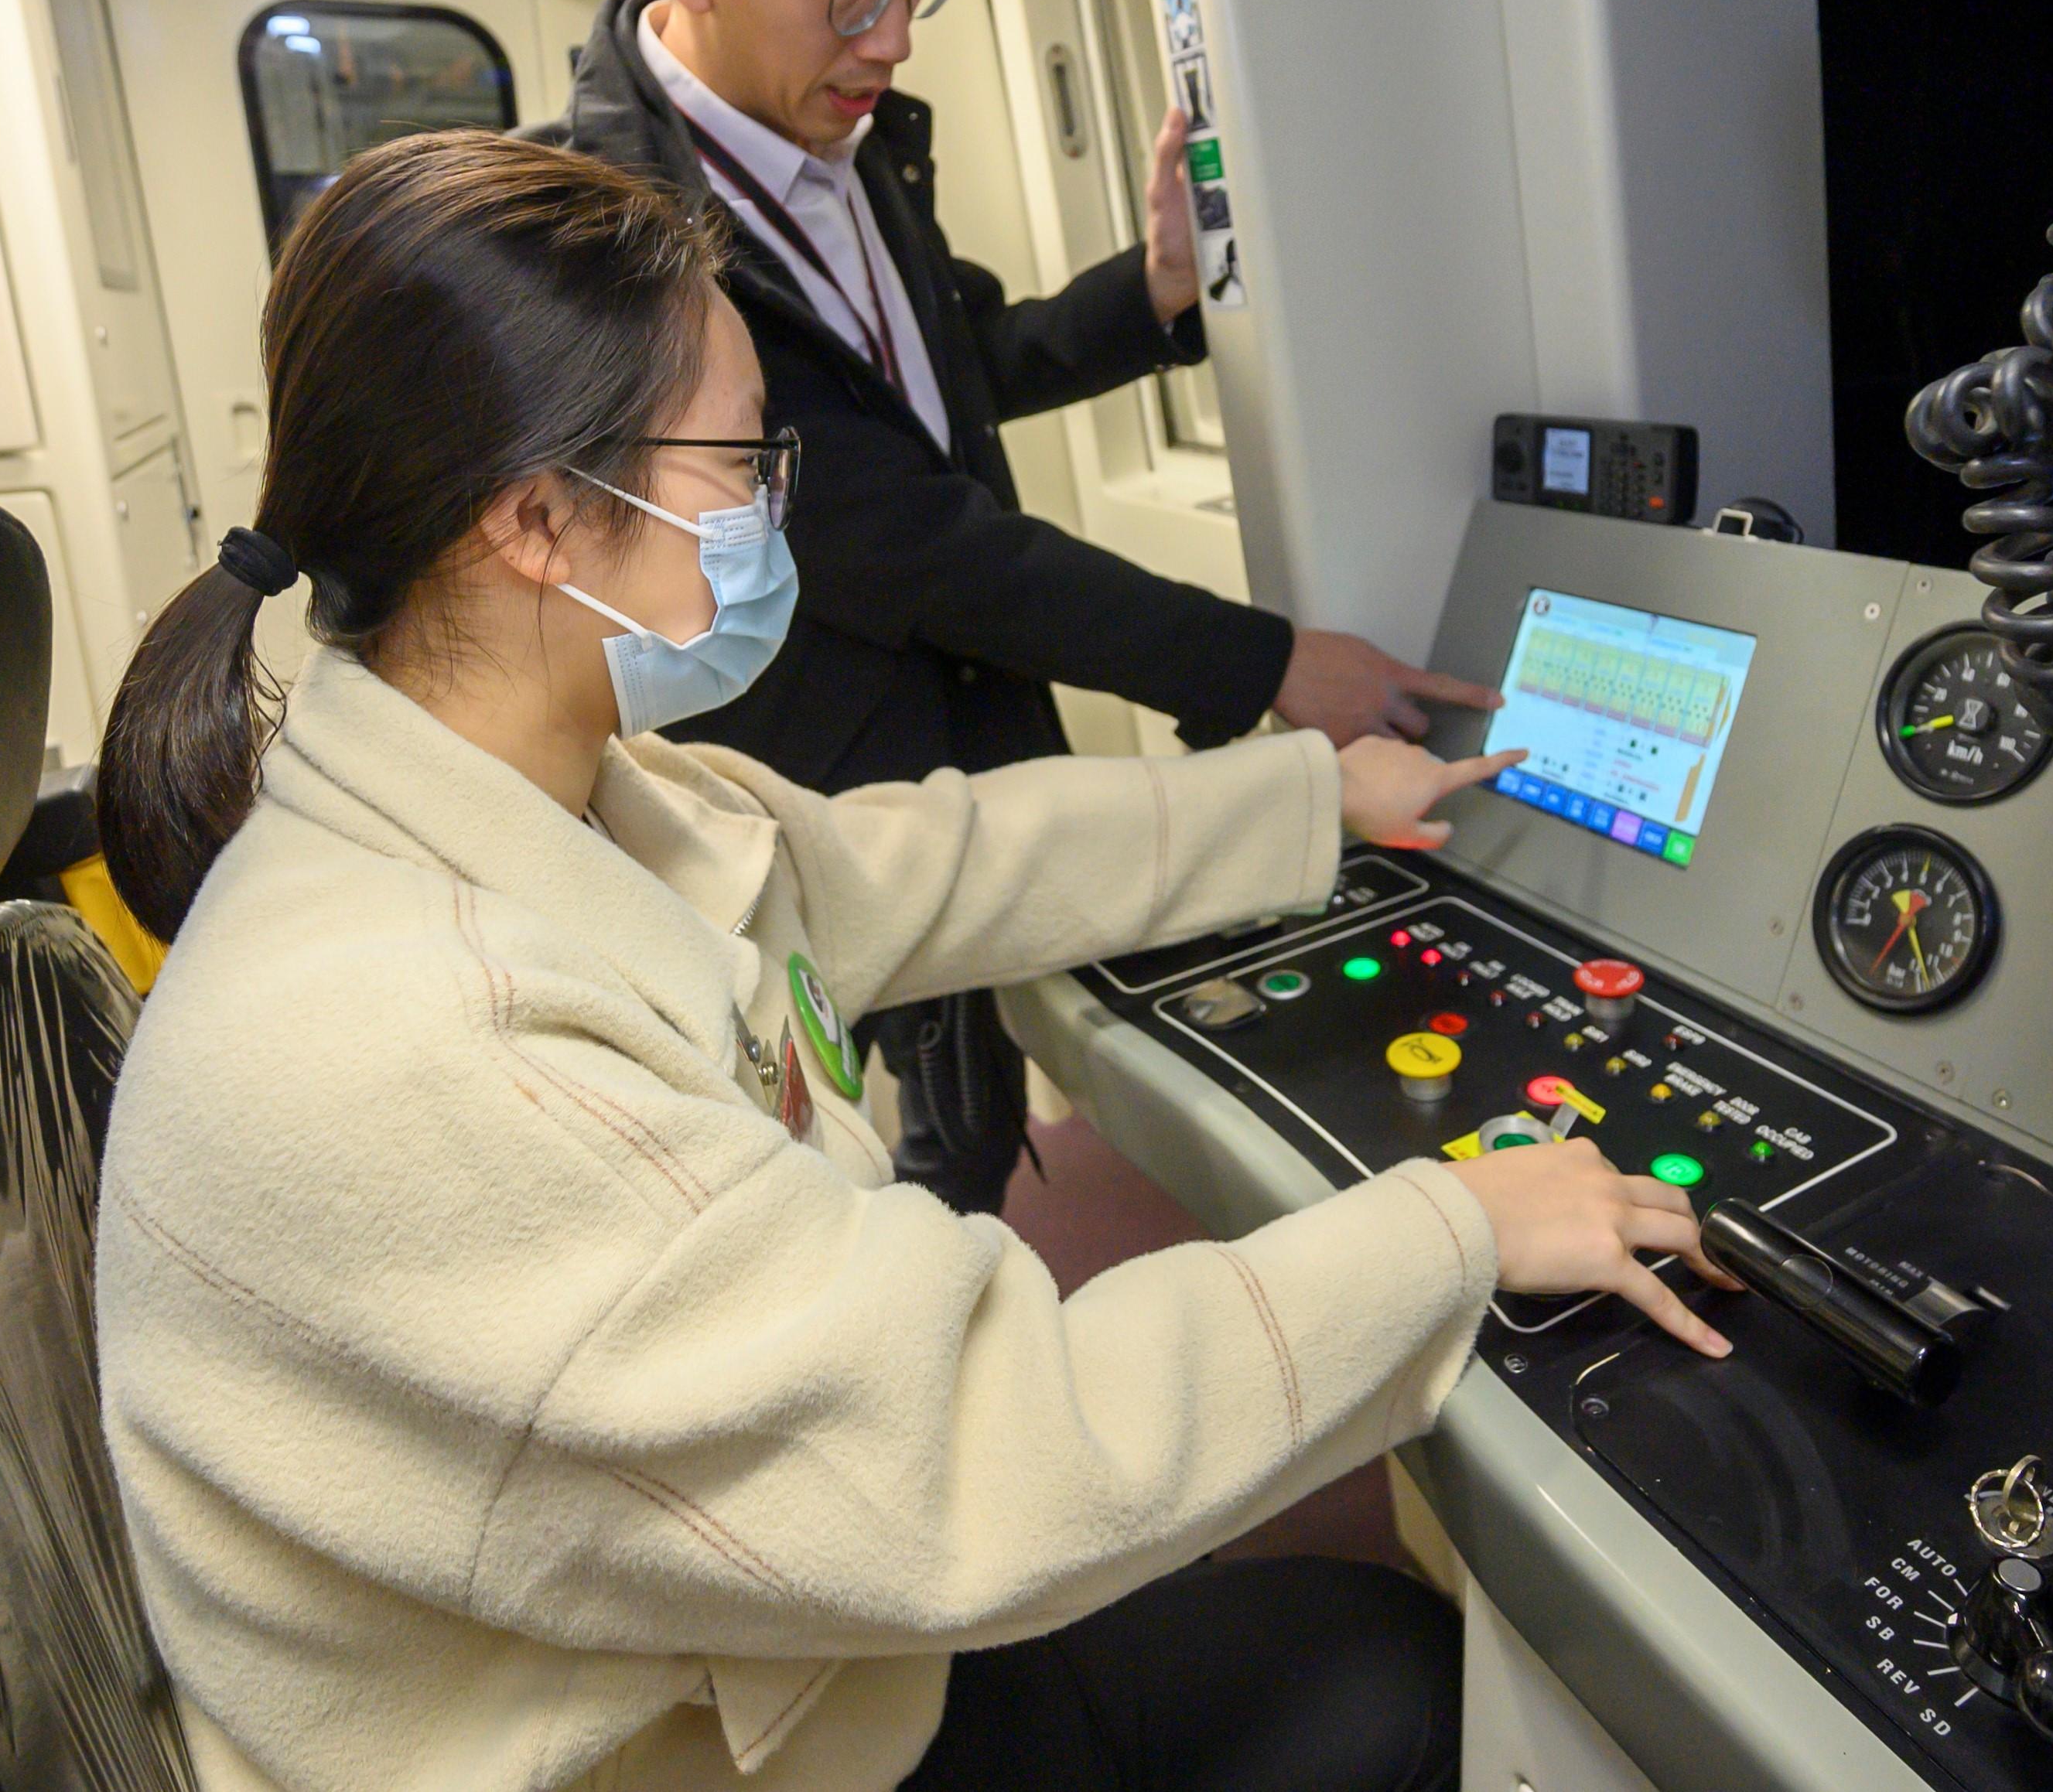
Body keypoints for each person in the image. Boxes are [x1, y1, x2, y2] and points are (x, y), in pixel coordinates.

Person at [92, 129, 1737, 1792]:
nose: (769, 519)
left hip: (761, 1656)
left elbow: (919, 861)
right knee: (1392, 1692)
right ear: (537, 520)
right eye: (738, 465)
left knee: (1355, 1643)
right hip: (690, 1743)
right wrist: (1455, 1228)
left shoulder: (555, 793)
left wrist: (1312, 797)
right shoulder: (433, 1035)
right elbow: (970, 1445)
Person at [531, 0, 1499, 1210]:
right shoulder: (624, 243)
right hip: (822, 807)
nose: (894, 31)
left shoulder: (837, 138)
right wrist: (1267, 666)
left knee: (972, 1112)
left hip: (967, 752)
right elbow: (914, 539)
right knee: (885, 1164)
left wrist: (1154, 291)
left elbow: (948, 358)